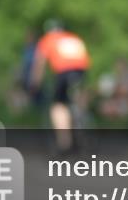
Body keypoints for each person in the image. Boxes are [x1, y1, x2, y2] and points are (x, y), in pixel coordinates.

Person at [29, 19, 91, 153]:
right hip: (81, 72)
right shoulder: (74, 37)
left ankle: (64, 142)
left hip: (63, 73)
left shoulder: (47, 39)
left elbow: (39, 64)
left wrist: (35, 83)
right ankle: (81, 120)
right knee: (77, 99)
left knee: (58, 106)